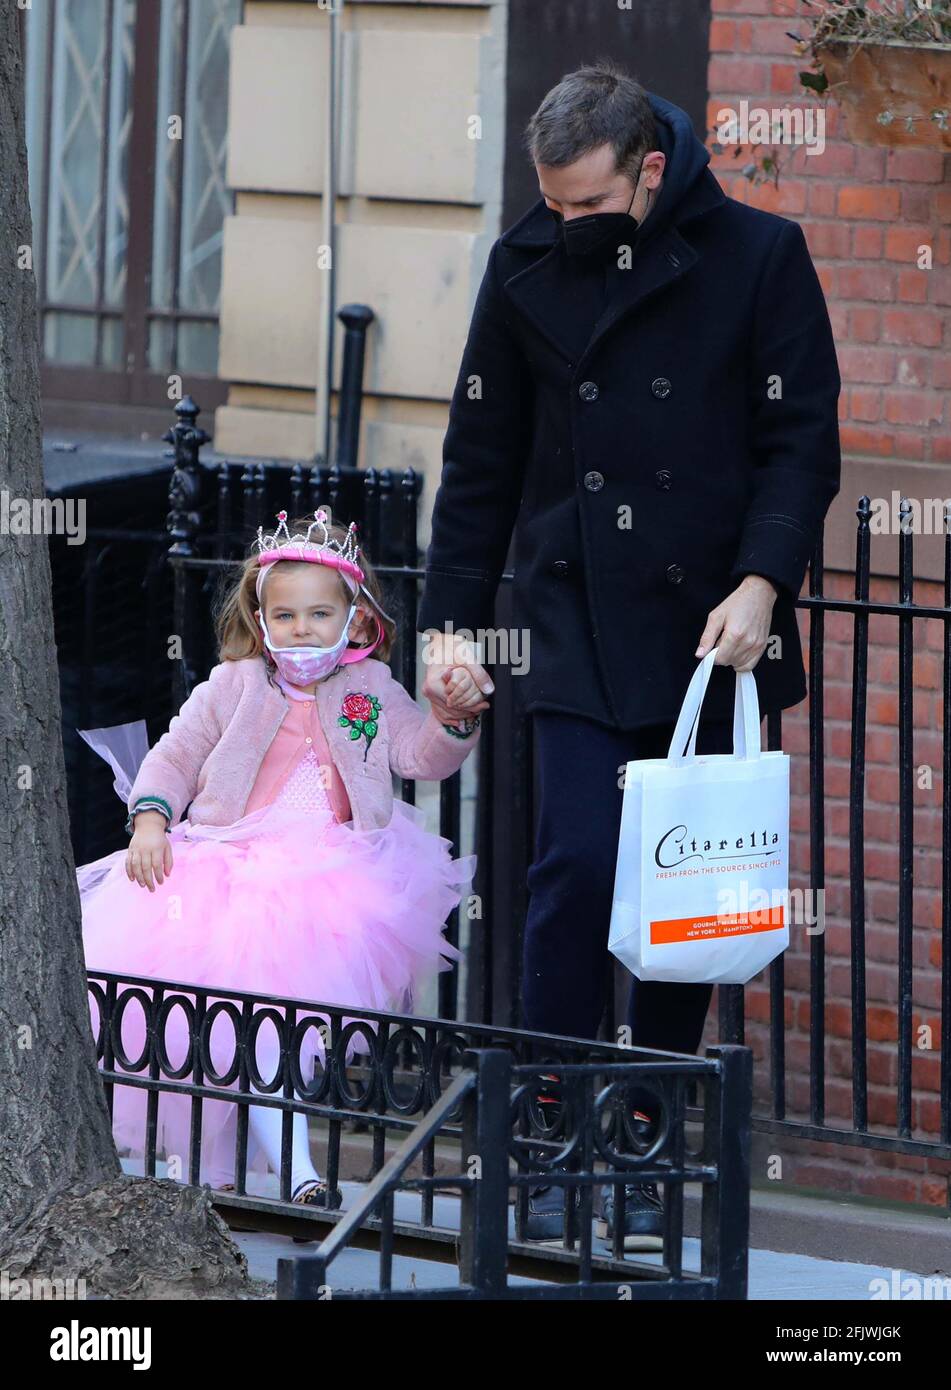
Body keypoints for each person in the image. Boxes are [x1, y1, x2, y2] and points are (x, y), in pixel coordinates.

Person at [418, 62, 841, 1246]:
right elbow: (481, 460)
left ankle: (643, 1136)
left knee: (684, 899)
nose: (565, 230)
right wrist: (451, 627)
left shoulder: (761, 255)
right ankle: (548, 1135)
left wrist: (763, 582)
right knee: (571, 871)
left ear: (651, 172)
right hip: (571, 615)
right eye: (549, 207)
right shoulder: (523, 269)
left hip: (714, 628)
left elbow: (800, 442)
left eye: (588, 208)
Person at [77, 507, 483, 1207]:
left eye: (319, 614)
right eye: (286, 615)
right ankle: (276, 1171)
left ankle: (250, 1171)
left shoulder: (369, 691)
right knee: (232, 1026)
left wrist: (453, 719)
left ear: (355, 621)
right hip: (226, 869)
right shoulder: (233, 685)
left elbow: (419, 757)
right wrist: (150, 820)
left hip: (329, 879)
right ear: (261, 621)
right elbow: (175, 756)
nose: (302, 630)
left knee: (277, 1031)